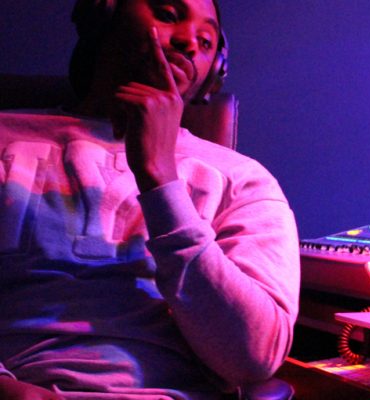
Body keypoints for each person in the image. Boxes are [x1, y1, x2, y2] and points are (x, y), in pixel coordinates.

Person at [0, 0, 300, 398]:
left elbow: (254, 356)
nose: (189, 42)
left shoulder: (243, 180)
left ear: (215, 69)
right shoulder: (7, 138)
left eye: (206, 41)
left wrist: (161, 180)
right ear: (105, 15)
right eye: (168, 14)